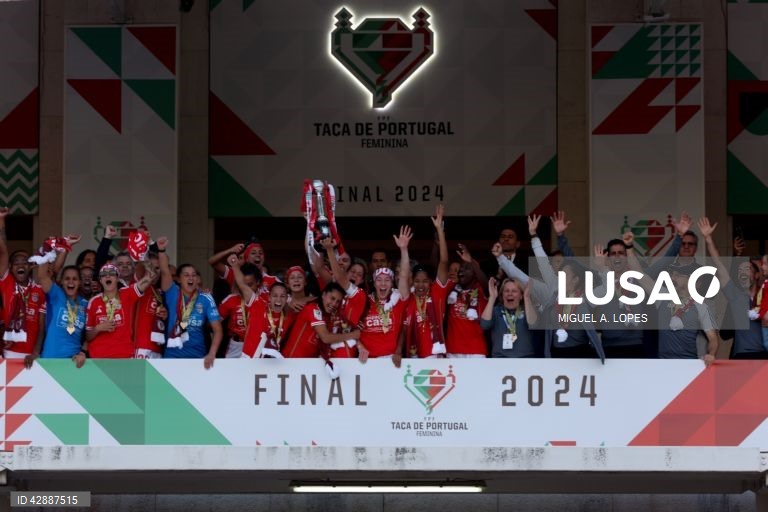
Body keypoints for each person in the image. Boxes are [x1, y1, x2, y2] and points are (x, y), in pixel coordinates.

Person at [624, 230, 718, 367]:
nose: (673, 277)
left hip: (690, 366)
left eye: (678, 274)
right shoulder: (662, 296)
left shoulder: (701, 306)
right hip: (663, 366)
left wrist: (711, 354)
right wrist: (629, 247)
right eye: (672, 274)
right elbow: (639, 274)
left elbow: (713, 338)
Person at [698, 219, 766, 359]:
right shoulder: (735, 296)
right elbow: (719, 264)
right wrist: (708, 238)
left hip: (765, 357)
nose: (742, 272)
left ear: (757, 275)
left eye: (747, 269)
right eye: (740, 270)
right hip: (742, 357)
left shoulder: (766, 294)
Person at [158, 237, 222, 368]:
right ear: (179, 279)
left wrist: (212, 353)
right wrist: (161, 250)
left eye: (194, 275)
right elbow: (164, 270)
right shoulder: (172, 293)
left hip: (198, 358)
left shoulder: (206, 298)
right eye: (186, 275)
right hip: (172, 356)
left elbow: (218, 330)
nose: (191, 278)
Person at [358, 226, 413, 366]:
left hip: (391, 361)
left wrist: (404, 249)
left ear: (392, 282)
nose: (383, 283)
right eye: (379, 280)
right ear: (374, 282)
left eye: (387, 280)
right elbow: (349, 329)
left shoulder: (398, 300)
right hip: (366, 362)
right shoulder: (364, 300)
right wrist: (360, 347)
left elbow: (404, 275)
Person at [403, 205, 451, 358]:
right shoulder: (409, 298)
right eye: (417, 281)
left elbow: (444, 261)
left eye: (424, 281)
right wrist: (403, 248)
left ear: (430, 281)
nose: (421, 285)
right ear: (412, 282)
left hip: (438, 356)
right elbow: (403, 276)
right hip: (415, 356)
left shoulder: (438, 292)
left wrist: (439, 230)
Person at [0, 209, 47, 360]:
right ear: (10, 267)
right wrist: (1, 220)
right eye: (16, 263)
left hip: (31, 356)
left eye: (25, 262)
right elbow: (3, 251)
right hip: (6, 352)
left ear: (31, 266)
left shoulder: (39, 290)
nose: (20, 265)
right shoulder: (7, 282)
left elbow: (41, 327)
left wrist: (36, 352)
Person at [84, 259, 154, 359]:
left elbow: (150, 276)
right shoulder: (93, 302)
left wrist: (143, 258)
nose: (108, 276)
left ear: (117, 278)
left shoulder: (127, 293)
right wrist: (98, 328)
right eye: (104, 274)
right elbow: (88, 336)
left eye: (112, 273)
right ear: (100, 280)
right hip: (98, 358)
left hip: (124, 356)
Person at [34, 258, 87, 368]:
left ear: (80, 282)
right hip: (51, 358)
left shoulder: (86, 304)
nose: (71, 282)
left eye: (75, 279)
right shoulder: (56, 295)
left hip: (73, 361)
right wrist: (47, 251)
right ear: (61, 282)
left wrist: (83, 352)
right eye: (67, 279)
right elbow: (42, 276)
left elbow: (90, 335)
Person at [445, 242, 489, 358]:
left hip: (476, 350)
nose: (461, 271)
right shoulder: (452, 289)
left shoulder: (481, 290)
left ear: (475, 273)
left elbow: (486, 282)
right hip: (453, 349)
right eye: (461, 269)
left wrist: (471, 261)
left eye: (466, 268)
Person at [480, 277, 538, 357]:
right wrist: (492, 298)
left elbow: (534, 325)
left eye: (514, 291)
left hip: (525, 359)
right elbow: (484, 325)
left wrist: (527, 297)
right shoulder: (496, 311)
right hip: (500, 359)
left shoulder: (527, 309)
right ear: (502, 294)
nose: (510, 293)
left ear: (521, 295)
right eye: (506, 291)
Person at [218, 263, 261, 358]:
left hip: (257, 345)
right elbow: (213, 323)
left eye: (250, 285)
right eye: (244, 285)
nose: (246, 289)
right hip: (236, 345)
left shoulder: (265, 300)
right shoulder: (231, 299)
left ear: (258, 282)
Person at [132, 252, 169, 359]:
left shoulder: (159, 291)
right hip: (141, 346)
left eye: (157, 268)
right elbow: (139, 267)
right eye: (150, 268)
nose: (154, 272)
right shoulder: (139, 285)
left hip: (157, 347)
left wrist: (164, 315)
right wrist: (143, 250)